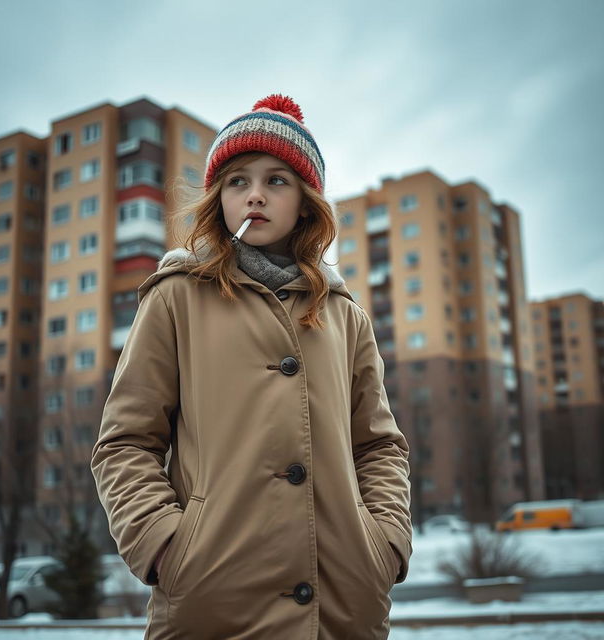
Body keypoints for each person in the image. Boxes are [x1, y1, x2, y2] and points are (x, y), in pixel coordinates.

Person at [91, 94, 412, 639]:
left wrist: (383, 543)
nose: (255, 195)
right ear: (220, 198)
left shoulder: (344, 316)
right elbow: (124, 442)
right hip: (211, 599)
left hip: (341, 604)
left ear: (305, 202)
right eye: (238, 181)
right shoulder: (176, 299)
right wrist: (165, 544)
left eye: (277, 181)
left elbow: (379, 446)